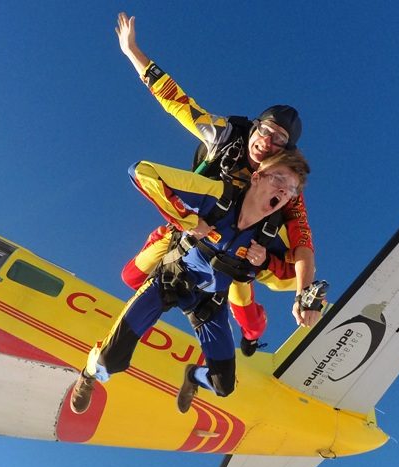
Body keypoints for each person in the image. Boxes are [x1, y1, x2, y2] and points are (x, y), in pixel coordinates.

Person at [114, 13, 321, 356]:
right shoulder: (225, 136)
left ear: (285, 152)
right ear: (254, 126)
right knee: (131, 277)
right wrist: (133, 52)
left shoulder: (287, 185)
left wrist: (304, 292)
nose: (266, 142)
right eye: (265, 130)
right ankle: (167, 294)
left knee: (246, 307)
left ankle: (251, 335)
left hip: (241, 250)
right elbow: (178, 103)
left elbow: (303, 244)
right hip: (198, 226)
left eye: (278, 141)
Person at [71, 150, 316, 414]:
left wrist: (270, 264)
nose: (283, 190)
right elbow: (141, 171)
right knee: (110, 359)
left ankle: (193, 377)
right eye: (278, 178)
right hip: (170, 280)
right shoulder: (217, 196)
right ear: (256, 177)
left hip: (209, 303)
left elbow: (299, 268)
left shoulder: (270, 235)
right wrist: (187, 219)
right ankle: (89, 374)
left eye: (291, 189)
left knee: (223, 385)